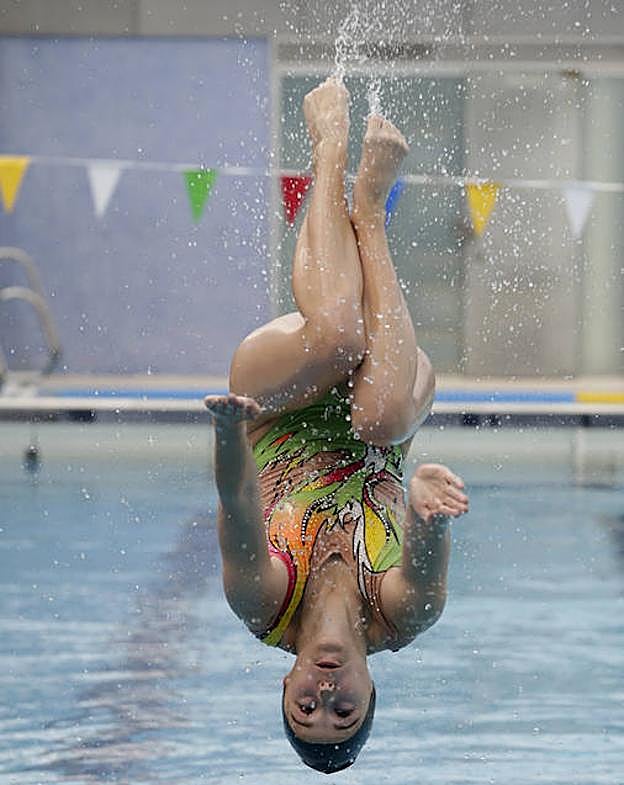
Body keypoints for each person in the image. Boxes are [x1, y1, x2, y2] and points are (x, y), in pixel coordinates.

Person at [204, 77, 469, 773]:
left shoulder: (260, 600)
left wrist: (232, 431)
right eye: (343, 708)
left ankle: (329, 145)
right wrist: (427, 510)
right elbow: (425, 550)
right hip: (393, 390)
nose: (326, 691)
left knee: (338, 335)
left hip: (276, 398)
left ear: (284, 685)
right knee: (378, 417)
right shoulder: (401, 614)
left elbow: (234, 503)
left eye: (306, 707)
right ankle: (371, 217)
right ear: (371, 689)